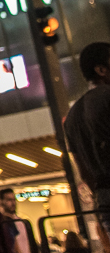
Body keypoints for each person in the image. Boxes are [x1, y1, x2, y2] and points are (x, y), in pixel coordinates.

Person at [64, 42, 110, 246]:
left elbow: (83, 172)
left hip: (104, 196)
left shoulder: (72, 117)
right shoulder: (107, 97)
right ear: (101, 70)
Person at [0, 189, 38, 253]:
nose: (13, 203)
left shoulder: (23, 222)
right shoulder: (1, 224)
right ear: (1, 201)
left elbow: (31, 243)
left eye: (14, 200)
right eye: (9, 200)